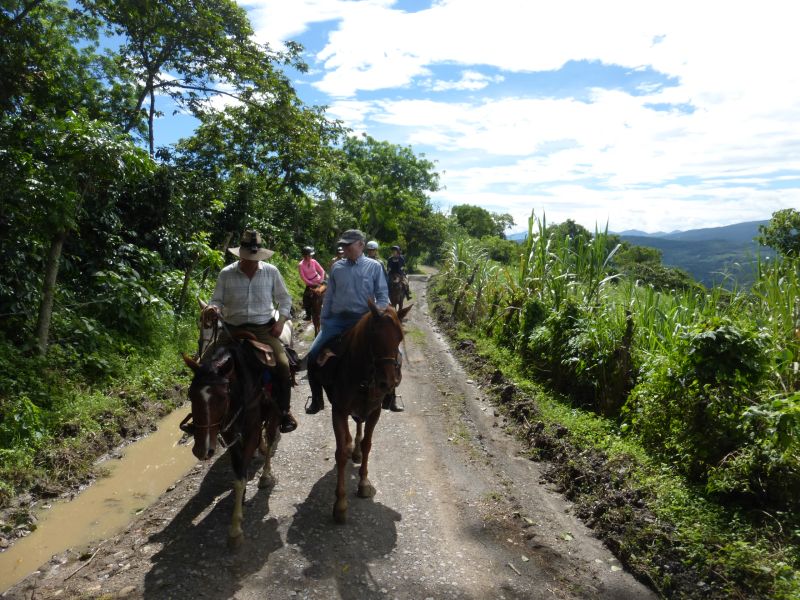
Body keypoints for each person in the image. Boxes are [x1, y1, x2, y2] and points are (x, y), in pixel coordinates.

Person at [202, 229, 298, 433]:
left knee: (282, 365)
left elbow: (285, 299)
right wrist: (213, 309)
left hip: (263, 328)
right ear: (241, 255)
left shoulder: (271, 271)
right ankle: (203, 416)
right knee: (205, 366)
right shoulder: (226, 273)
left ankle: (284, 412)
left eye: (254, 257)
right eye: (247, 257)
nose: (251, 260)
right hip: (232, 329)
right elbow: (216, 300)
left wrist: (281, 322)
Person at [304, 229, 390, 414]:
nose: (344, 248)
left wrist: (377, 316)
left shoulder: (374, 267)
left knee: (392, 353)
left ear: (360, 244)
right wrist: (325, 321)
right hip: (337, 320)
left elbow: (383, 296)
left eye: (347, 244)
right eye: (342, 245)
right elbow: (329, 297)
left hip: (364, 319)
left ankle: (390, 396)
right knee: (313, 355)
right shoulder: (337, 267)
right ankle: (317, 399)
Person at [298, 246, 326, 320]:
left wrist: (321, 279)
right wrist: (312, 284)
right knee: (305, 298)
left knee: (329, 290)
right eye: (309, 255)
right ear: (305, 255)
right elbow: (303, 277)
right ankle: (308, 315)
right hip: (310, 284)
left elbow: (322, 271)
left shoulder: (314, 261)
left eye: (311, 255)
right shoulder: (301, 265)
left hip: (319, 280)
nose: (311, 256)